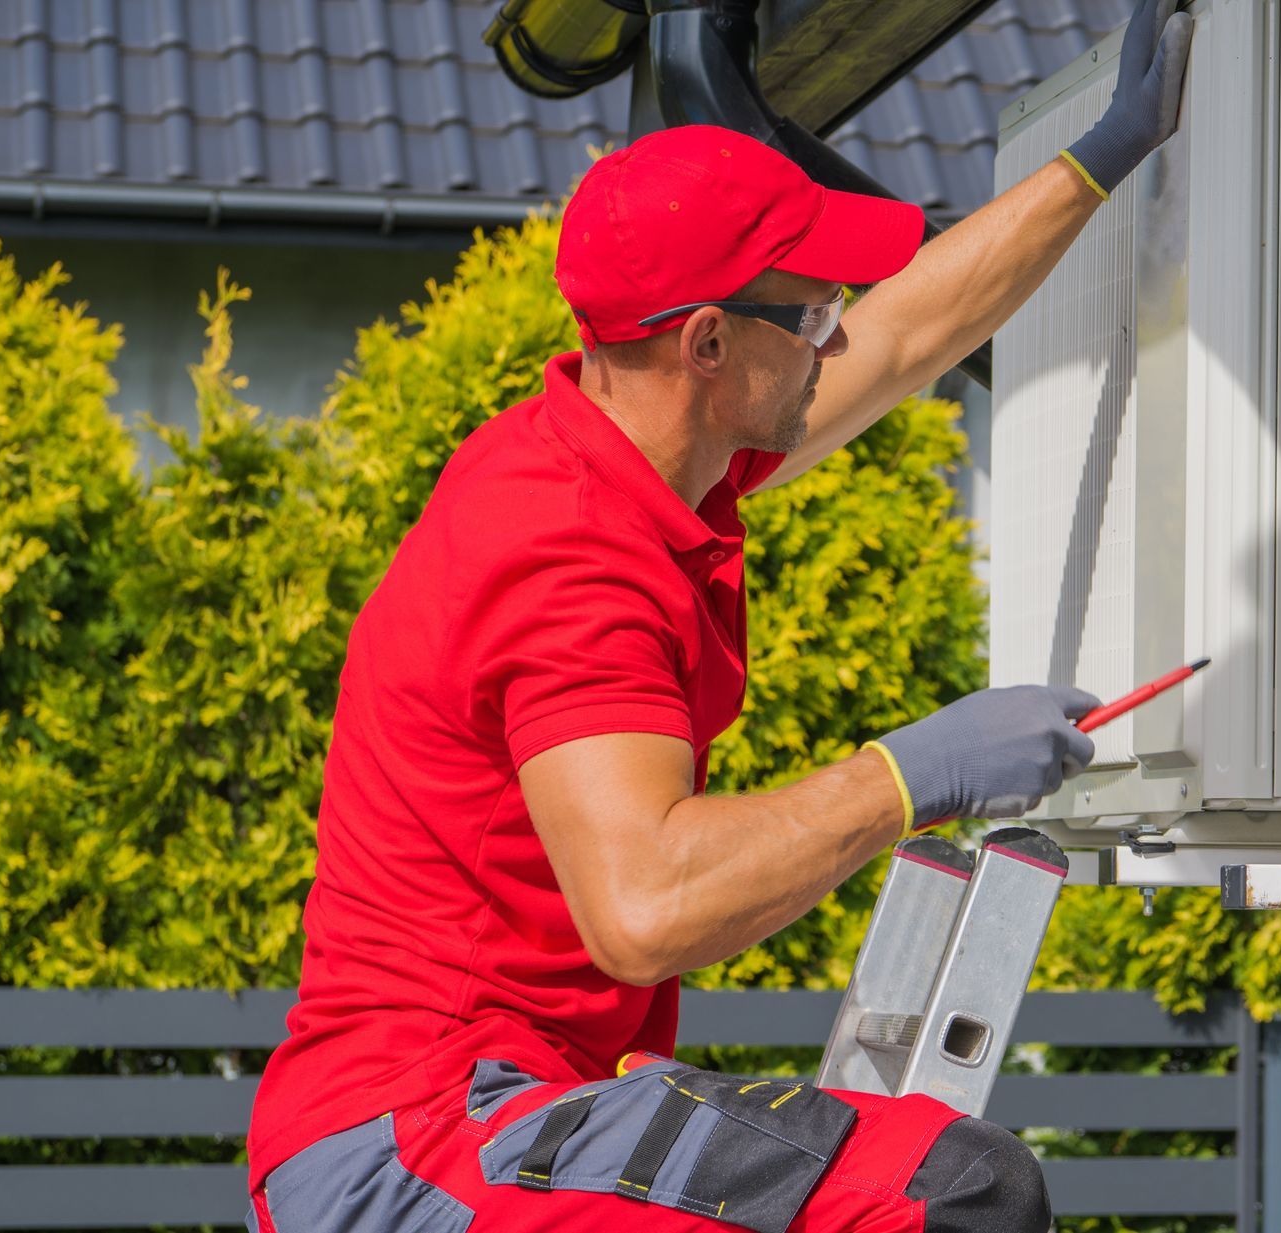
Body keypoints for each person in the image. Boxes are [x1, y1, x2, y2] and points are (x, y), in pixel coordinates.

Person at [244, 3, 1194, 1230]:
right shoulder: (564, 556)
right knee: (949, 1199)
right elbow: (646, 910)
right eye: (807, 312)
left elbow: (905, 332)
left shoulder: (636, 457)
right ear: (704, 341)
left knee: (944, 1185)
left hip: (501, 1105)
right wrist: (917, 772)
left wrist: (1102, 158)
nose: (835, 331)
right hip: (419, 1139)